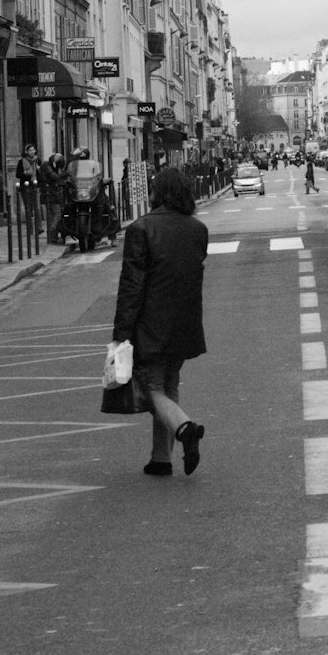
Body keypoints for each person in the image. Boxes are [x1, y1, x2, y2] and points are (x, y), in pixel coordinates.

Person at [112, 167, 208, 478]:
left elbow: (132, 286)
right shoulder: (197, 229)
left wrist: (121, 334)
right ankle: (160, 458)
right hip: (185, 322)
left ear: (159, 192)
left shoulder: (141, 229)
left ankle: (184, 428)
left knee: (150, 387)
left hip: (151, 323)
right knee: (168, 385)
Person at [39, 153, 67, 244]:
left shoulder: (51, 166)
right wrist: (64, 175)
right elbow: (53, 176)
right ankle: (52, 235)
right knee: (57, 214)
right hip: (50, 194)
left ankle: (53, 237)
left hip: (52, 194)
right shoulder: (46, 165)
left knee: (52, 216)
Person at [15, 143, 41, 237]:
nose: (32, 152)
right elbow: (17, 175)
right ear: (26, 152)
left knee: (37, 207)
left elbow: (40, 175)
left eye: (33, 150)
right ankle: (30, 229)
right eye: (30, 150)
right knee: (28, 208)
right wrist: (25, 173)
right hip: (25, 187)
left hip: (35, 186)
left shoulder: (38, 160)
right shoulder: (21, 161)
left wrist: (39, 170)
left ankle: (39, 228)